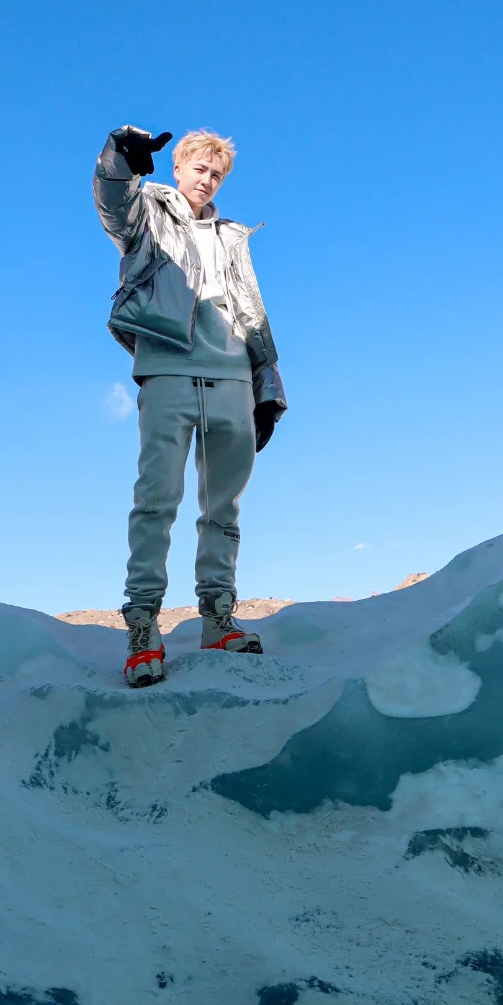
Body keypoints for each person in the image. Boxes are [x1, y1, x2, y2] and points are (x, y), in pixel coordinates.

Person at [93, 125, 286, 687]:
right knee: (157, 500)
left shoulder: (232, 236)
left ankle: (217, 617)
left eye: (216, 173)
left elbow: (253, 313)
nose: (207, 179)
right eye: (199, 168)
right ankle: (143, 625)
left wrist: (267, 389)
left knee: (224, 507)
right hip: (169, 370)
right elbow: (112, 203)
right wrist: (119, 161)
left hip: (231, 379)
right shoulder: (149, 212)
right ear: (177, 168)